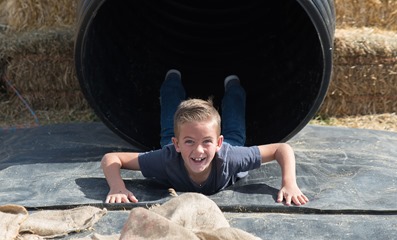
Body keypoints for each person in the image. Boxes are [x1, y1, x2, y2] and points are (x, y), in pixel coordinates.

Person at [101, 69, 309, 206]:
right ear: (178, 144)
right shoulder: (167, 157)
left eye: (206, 142)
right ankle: (172, 82)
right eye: (190, 141)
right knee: (170, 128)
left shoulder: (231, 157)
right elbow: (112, 158)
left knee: (235, 133)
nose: (198, 150)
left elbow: (282, 149)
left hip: (227, 148)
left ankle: (234, 87)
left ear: (217, 142)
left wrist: (289, 183)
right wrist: (117, 186)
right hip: (175, 150)